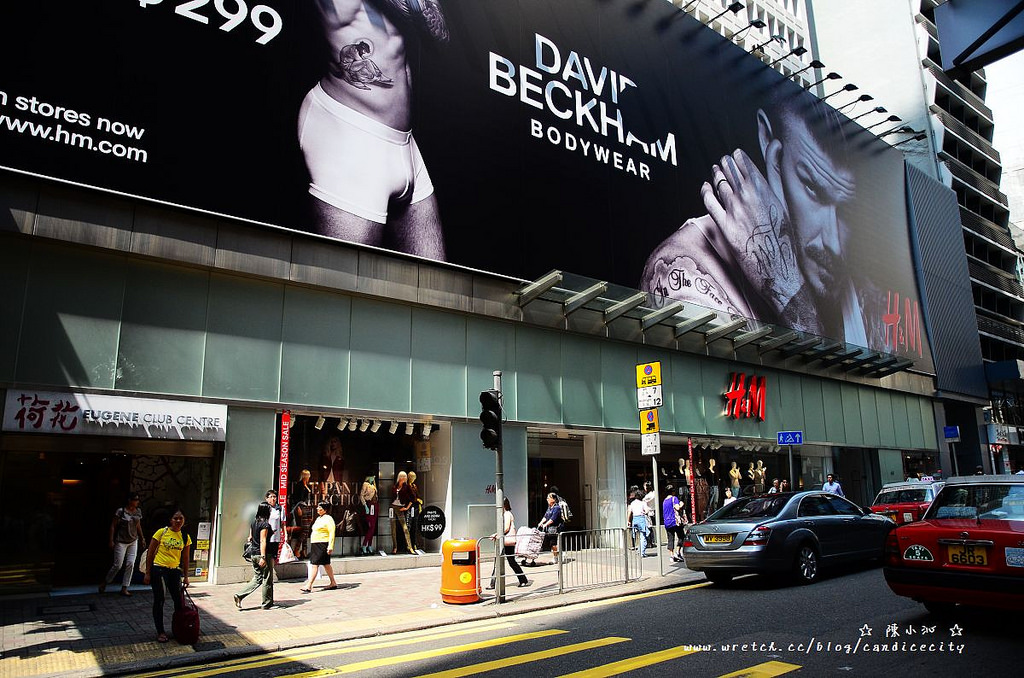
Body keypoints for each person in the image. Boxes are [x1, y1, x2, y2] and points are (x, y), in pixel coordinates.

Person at [641, 94, 873, 346]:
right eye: (811, 188)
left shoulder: (863, 292)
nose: (834, 244)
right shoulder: (682, 268)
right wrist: (786, 285)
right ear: (774, 158)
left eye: (847, 212)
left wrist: (786, 277)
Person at [299, 0, 449, 259]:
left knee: (436, 288)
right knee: (343, 288)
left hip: (404, 144)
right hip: (349, 133)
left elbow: (439, 35)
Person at [143, 508, 191, 643]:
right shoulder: (161, 532)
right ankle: (160, 632)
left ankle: (178, 628)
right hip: (159, 570)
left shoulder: (185, 536)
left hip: (175, 571)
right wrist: (147, 573)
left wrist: (186, 576)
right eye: (175, 518)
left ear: (184, 520)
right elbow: (150, 553)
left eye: (180, 518)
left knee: (178, 601)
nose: (178, 521)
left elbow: (186, 558)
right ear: (170, 520)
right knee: (160, 600)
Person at [100, 492, 144, 597]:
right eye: (135, 499)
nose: (137, 502)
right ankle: (105, 582)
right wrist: (111, 540)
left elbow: (138, 525)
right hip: (121, 540)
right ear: (130, 500)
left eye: (138, 500)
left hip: (133, 540)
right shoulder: (121, 511)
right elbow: (113, 526)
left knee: (130, 564)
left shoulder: (138, 511)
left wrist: (142, 538)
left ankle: (125, 587)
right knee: (118, 565)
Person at [234, 502, 275, 610]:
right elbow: (263, 540)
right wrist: (263, 557)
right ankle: (267, 603)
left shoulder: (254, 523)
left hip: (253, 554)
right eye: (270, 510)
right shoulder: (265, 524)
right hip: (262, 554)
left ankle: (239, 594)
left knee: (257, 578)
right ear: (267, 511)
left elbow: (250, 538)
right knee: (267, 578)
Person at [488, 498, 531, 590]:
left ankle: (523, 580)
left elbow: (506, 528)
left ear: (503, 505)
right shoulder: (505, 514)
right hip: (505, 541)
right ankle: (493, 583)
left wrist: (496, 534)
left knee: (509, 562)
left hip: (507, 541)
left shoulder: (507, 514)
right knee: (505, 562)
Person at [301, 501, 338, 592]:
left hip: (322, 544)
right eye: (318, 507)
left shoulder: (328, 519)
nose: (317, 509)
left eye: (320, 508)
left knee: (315, 564)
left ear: (325, 509)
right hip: (316, 543)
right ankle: (333, 582)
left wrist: (330, 546)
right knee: (326, 564)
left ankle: (309, 585)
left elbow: (332, 532)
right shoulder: (318, 518)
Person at [390, 471, 416, 555]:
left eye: (405, 477)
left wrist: (406, 507)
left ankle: (410, 547)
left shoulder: (407, 487)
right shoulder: (395, 486)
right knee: (393, 529)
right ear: (399, 477)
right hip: (393, 507)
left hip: (400, 508)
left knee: (405, 528)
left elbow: (413, 498)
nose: (404, 478)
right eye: (402, 476)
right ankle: (395, 547)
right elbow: (392, 496)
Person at [537, 492, 564, 560]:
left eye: (548, 498)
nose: (547, 499)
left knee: (553, 543)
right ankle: (557, 555)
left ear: (553, 499)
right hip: (550, 528)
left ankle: (558, 556)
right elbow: (546, 516)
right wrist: (540, 523)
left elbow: (553, 519)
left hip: (555, 528)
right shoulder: (550, 508)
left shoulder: (557, 508)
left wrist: (545, 524)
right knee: (551, 544)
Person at [662, 485, 683, 562]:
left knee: (670, 538)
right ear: (673, 491)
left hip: (667, 522)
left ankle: (671, 555)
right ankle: (677, 552)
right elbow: (677, 508)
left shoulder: (664, 501)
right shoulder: (674, 498)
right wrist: (681, 504)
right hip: (675, 521)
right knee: (681, 536)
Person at [359, 475, 378, 555]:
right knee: (371, 527)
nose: (373, 478)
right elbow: (361, 495)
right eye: (372, 477)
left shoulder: (374, 485)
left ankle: (369, 545)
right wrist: (365, 506)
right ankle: (364, 545)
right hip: (369, 504)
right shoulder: (365, 484)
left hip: (375, 505)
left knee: (373, 528)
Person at [626, 491, 649, 558]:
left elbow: (629, 512)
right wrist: (645, 512)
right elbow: (647, 511)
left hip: (635, 519)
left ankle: (639, 550)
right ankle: (642, 552)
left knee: (637, 536)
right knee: (643, 536)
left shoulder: (632, 503)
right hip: (641, 519)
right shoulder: (643, 503)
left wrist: (628, 521)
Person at [265, 490, 282, 572]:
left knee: (272, 556)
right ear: (266, 499)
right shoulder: (264, 508)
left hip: (275, 536)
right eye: (271, 497)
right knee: (265, 555)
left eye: (274, 497)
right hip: (265, 536)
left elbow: (283, 522)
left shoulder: (279, 508)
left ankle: (270, 573)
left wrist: (285, 534)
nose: (273, 499)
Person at [642, 481, 657, 549]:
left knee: (649, 527)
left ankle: (650, 542)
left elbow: (643, 500)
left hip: (649, 512)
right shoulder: (653, 494)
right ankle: (651, 542)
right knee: (650, 527)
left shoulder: (650, 495)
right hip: (651, 511)